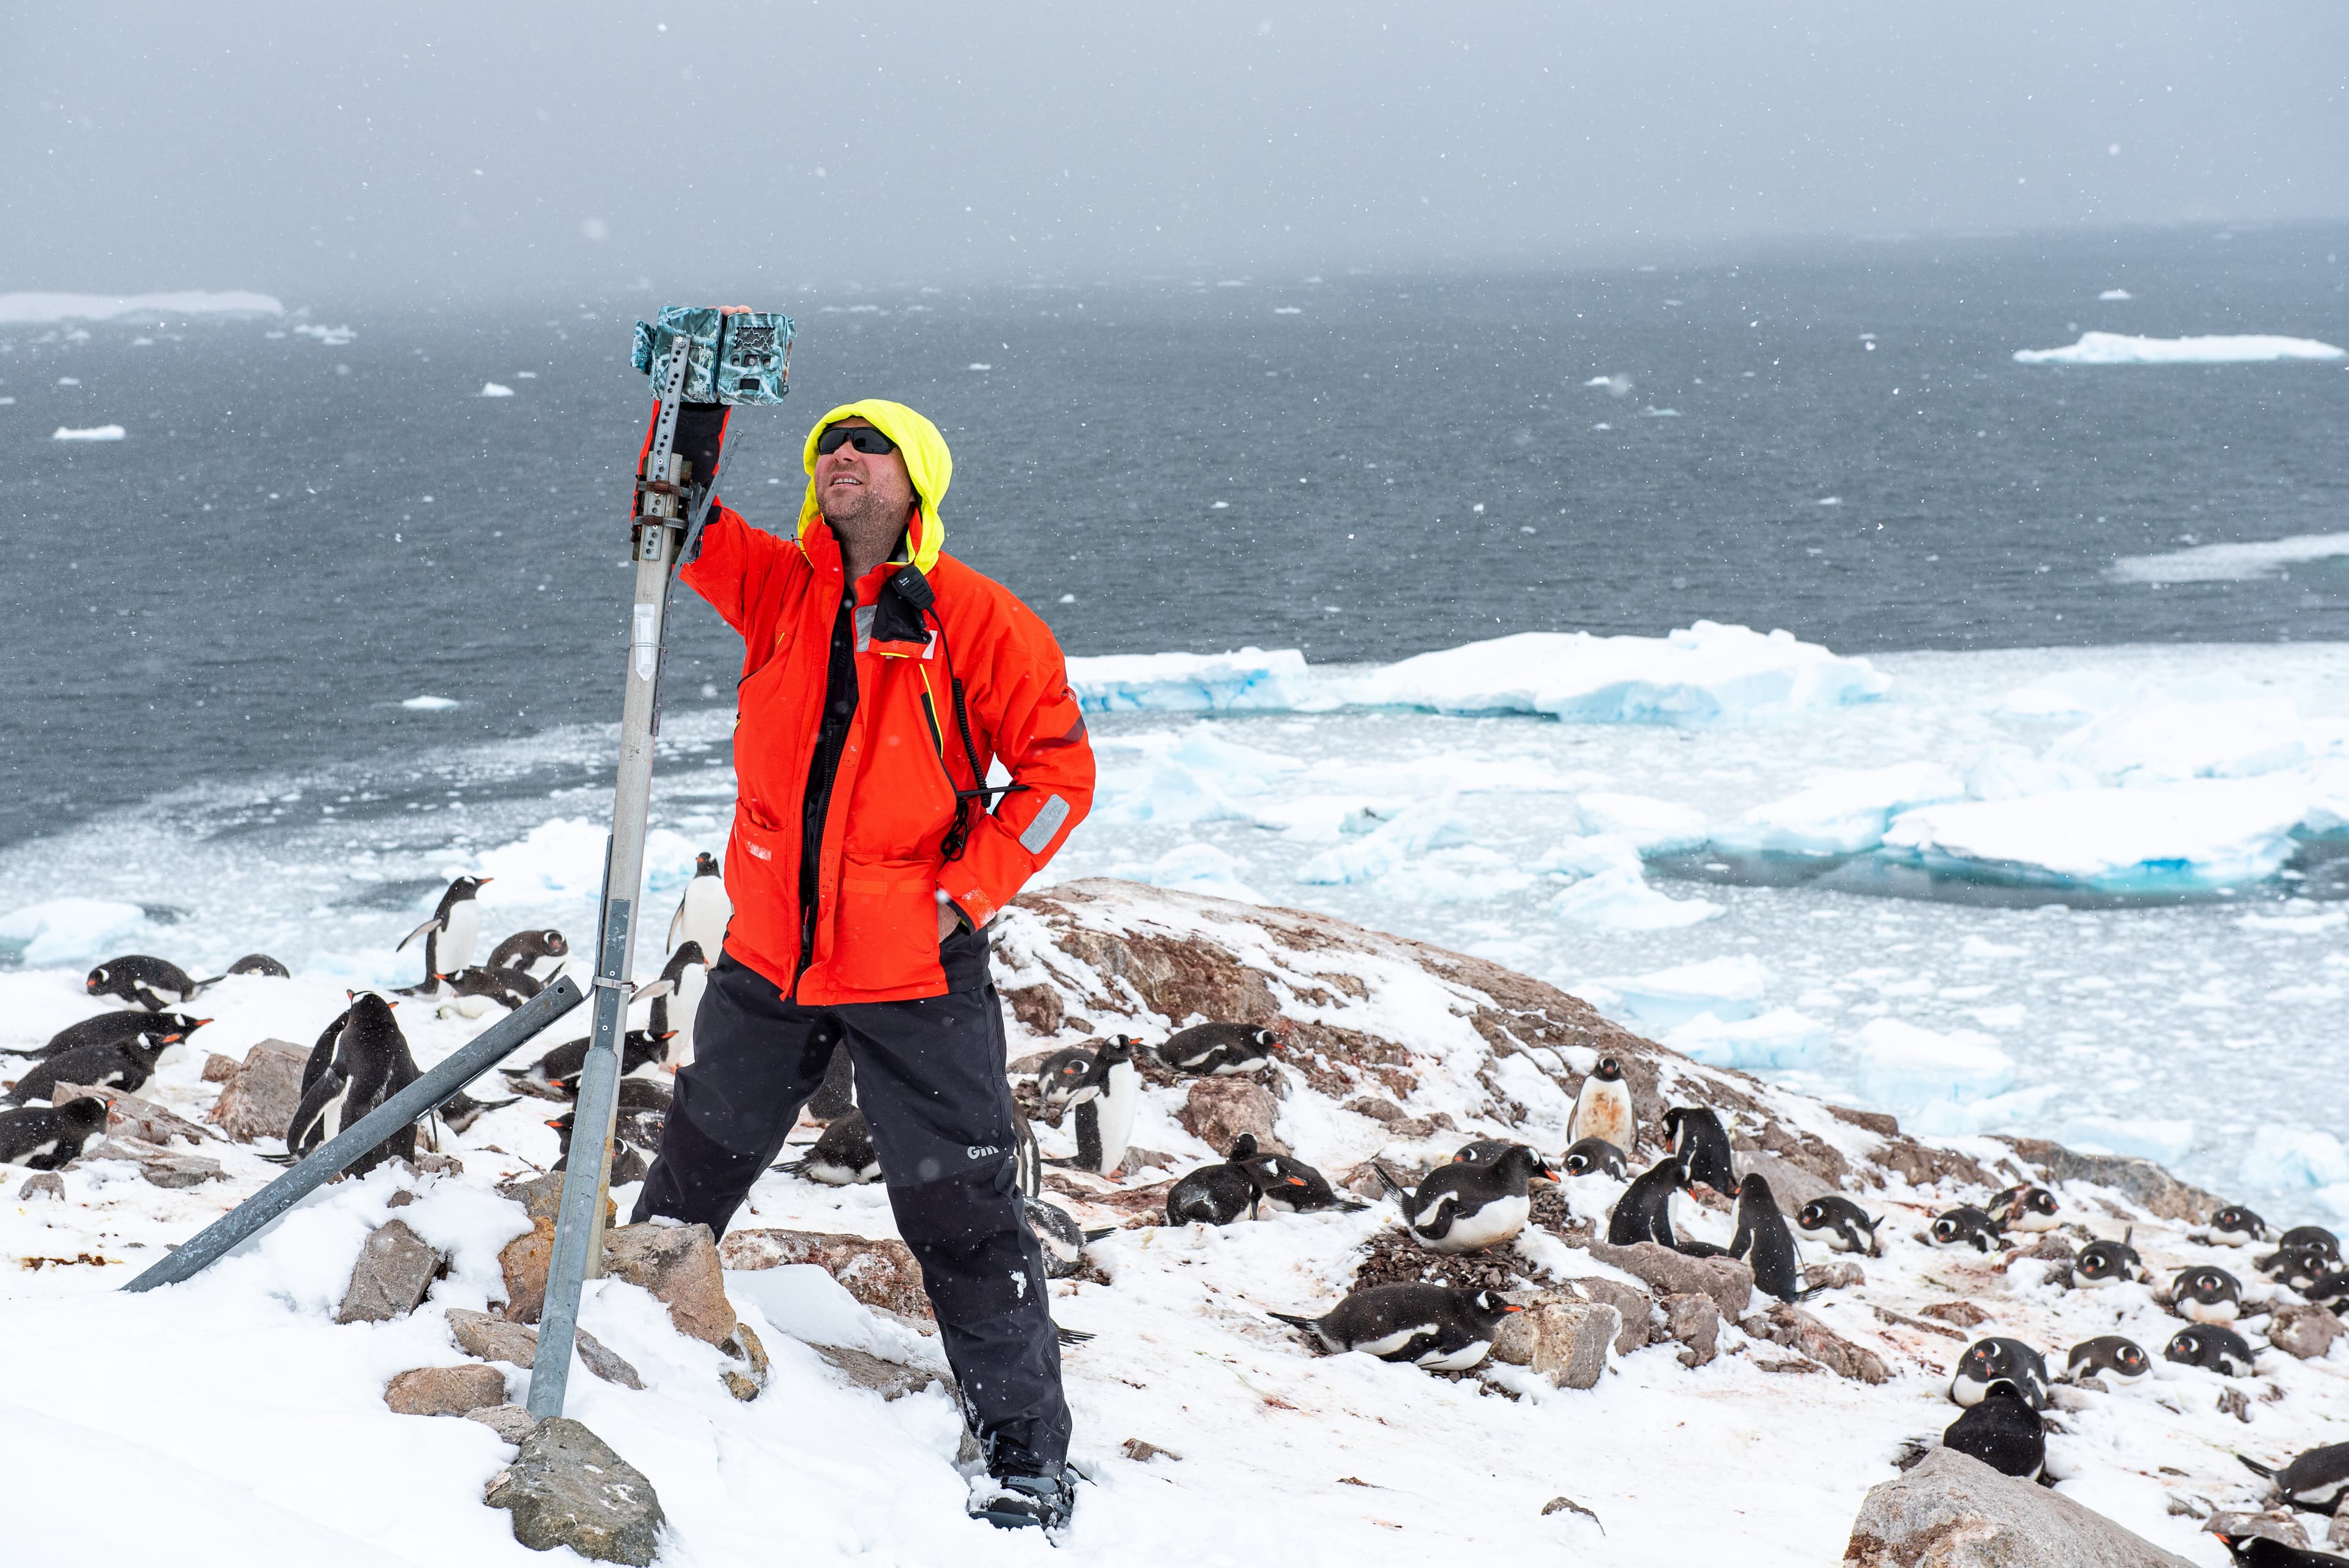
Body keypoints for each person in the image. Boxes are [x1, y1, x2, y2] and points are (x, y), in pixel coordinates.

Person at [628, 393, 1096, 1531]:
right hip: (769, 961)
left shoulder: (980, 620)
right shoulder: (780, 586)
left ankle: (1026, 1454)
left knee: (965, 1216)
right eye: (831, 444)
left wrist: (963, 894)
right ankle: (621, 1344)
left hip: (911, 971)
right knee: (693, 1173)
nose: (845, 458)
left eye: (872, 445)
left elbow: (1057, 782)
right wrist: (695, 408)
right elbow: (669, 524)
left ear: (918, 478)